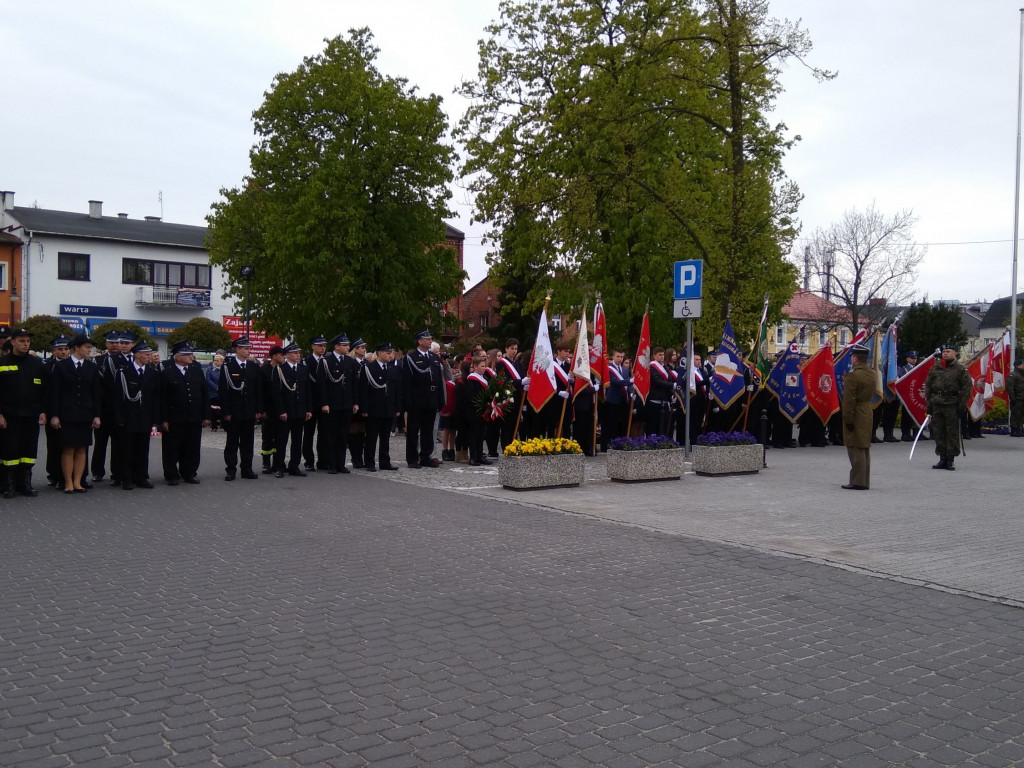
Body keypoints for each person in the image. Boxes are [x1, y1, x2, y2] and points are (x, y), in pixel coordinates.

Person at [47, 334, 102, 494]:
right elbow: (55, 392)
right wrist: (55, 415)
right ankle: (68, 482)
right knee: (68, 448)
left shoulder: (92, 367)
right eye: (86, 347)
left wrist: (97, 415)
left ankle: (78, 482)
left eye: (90, 347)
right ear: (76, 348)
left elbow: (96, 393)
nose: (89, 350)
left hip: (85, 413)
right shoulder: (61, 366)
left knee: (82, 449)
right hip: (67, 413)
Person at [0, 327, 47, 497]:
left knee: (28, 450)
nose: (25, 344)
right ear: (13, 342)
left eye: (27, 341)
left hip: (31, 414)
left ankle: (25, 483)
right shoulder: (2, 363)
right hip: (9, 415)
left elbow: (43, 390)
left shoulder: (36, 364)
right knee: (9, 450)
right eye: (21, 341)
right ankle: (9, 485)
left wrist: (43, 411)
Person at [160, 340, 209, 485]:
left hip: (194, 416)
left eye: (191, 354)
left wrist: (206, 415)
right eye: (187, 354)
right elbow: (162, 398)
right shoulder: (167, 373)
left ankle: (189, 472)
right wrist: (164, 419)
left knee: (192, 447)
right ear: (178, 357)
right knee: (172, 448)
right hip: (175, 418)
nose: (191, 357)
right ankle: (171, 474)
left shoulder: (196, 370)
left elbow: (204, 394)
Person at [114, 339, 160, 490]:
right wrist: (120, 418)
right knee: (127, 449)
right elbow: (118, 397)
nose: (149, 356)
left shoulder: (152, 372)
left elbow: (154, 397)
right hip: (129, 417)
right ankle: (126, 477)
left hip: (145, 417)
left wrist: (154, 419)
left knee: (142, 448)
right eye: (146, 354)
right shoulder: (124, 372)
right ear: (138, 355)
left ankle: (141, 476)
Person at [218, 337, 264, 480]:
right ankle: (231, 469)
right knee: (232, 442)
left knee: (247, 442)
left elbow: (258, 390)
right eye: (245, 348)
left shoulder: (254, 367)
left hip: (249, 411)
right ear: (237, 349)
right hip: (234, 411)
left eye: (249, 348)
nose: (248, 351)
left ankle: (247, 469)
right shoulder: (227, 367)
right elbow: (223, 391)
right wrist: (225, 411)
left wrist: (258, 409)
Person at [924, 343, 972, 470]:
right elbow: (928, 386)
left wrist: (962, 405)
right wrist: (929, 404)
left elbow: (967, 388)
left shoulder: (960, 369)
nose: (945, 353)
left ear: (954, 353)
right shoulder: (935, 368)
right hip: (937, 403)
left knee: (952, 432)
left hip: (952, 403)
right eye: (944, 351)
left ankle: (951, 459)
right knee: (938, 431)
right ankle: (942, 458)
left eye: (948, 351)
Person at [318, 333, 360, 474]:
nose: (348, 347)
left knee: (343, 435)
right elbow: (322, 385)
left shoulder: (350, 362)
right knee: (331, 435)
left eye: (348, 345)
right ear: (336, 346)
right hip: (332, 404)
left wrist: (355, 402)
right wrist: (324, 403)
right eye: (344, 345)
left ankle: (341, 463)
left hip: (346, 404)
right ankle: (331, 463)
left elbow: (354, 384)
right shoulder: (326, 361)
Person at [402, 330, 444, 468]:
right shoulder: (411, 358)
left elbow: (439, 379)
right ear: (420, 341)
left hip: (431, 399)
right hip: (417, 399)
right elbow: (407, 382)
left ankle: (426, 456)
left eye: (431, 338)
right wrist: (408, 402)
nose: (430, 340)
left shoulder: (433, 357)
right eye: (427, 339)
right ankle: (413, 458)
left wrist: (440, 399)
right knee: (413, 431)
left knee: (428, 430)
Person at [272, 342, 312, 477]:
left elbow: (307, 391)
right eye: (295, 353)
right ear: (287, 355)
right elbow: (276, 393)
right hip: (286, 411)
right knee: (282, 440)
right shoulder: (279, 369)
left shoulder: (303, 369)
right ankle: (279, 467)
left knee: (297, 440)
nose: (298, 355)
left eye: (299, 353)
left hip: (300, 410)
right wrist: (281, 410)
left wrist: (308, 409)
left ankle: (294, 466)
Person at [360, 342, 402, 471]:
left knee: (385, 438)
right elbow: (363, 390)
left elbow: (396, 390)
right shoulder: (368, 368)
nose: (390, 355)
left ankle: (385, 462)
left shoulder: (392, 369)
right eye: (387, 353)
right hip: (374, 408)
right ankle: (369, 462)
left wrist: (397, 407)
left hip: (388, 408)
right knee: (371, 438)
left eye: (391, 353)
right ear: (379, 353)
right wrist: (364, 409)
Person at [841, 343, 875, 490]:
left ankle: (857, 481)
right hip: (867, 409)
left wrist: (847, 419)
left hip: (856, 412)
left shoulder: (853, 375)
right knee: (864, 447)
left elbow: (849, 401)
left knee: (855, 447)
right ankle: (864, 480)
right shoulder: (871, 373)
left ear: (855, 358)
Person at [42, 335, 72, 487]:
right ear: (53, 351)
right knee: (53, 444)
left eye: (66, 349)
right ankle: (53, 473)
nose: (63, 352)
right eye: (60, 349)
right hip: (50, 410)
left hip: (67, 411)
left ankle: (65, 475)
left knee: (66, 444)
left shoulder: (72, 365)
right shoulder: (46, 366)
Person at [302, 335, 327, 471]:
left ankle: (322, 461)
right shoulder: (306, 362)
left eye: (324, 345)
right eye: (319, 345)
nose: (322, 348)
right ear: (313, 346)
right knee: (308, 434)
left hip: (324, 402)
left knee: (324, 433)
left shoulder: (327, 361)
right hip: (311, 402)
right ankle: (309, 461)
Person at [259, 346, 286, 473]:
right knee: (268, 437)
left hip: (280, 408)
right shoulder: (264, 370)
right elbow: (260, 392)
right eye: (281, 355)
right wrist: (261, 410)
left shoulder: (283, 369)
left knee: (279, 437)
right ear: (274, 356)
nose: (283, 357)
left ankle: (277, 462)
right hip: (268, 409)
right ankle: (266, 462)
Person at [600, 349, 630, 450]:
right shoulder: (609, 369)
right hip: (611, 400)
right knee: (610, 424)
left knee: (622, 423)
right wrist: (630, 381)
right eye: (618, 356)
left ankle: (620, 445)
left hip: (623, 400)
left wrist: (630, 392)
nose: (620, 359)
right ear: (613, 356)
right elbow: (615, 382)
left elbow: (626, 385)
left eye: (621, 357)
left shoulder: (625, 370)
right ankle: (607, 446)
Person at [465, 355, 491, 466]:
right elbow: (472, 396)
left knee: (481, 434)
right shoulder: (472, 379)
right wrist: (481, 405)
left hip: (483, 411)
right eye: (482, 366)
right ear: (475, 366)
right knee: (474, 434)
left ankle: (480, 455)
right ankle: (473, 456)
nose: (484, 368)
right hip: (474, 411)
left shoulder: (484, 378)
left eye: (485, 366)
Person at [348, 338, 368, 468]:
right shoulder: (351, 363)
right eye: (361, 347)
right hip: (355, 401)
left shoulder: (366, 364)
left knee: (362, 432)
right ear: (355, 349)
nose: (364, 349)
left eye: (364, 347)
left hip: (365, 401)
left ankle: (360, 456)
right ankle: (355, 457)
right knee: (353, 431)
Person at [897, 351, 920, 441]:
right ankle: (905, 433)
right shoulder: (903, 369)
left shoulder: (918, 368)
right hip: (907, 396)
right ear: (907, 359)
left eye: (915, 358)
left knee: (913, 415)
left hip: (915, 396)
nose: (914, 360)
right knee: (906, 415)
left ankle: (913, 433)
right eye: (912, 358)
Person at [205, 352, 225, 431]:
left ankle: (223, 425)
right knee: (213, 410)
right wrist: (216, 387)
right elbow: (208, 380)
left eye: (217, 360)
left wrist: (222, 388)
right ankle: (214, 426)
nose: (215, 362)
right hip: (213, 392)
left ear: (222, 361)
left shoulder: (224, 369)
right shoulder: (210, 369)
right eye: (215, 360)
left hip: (222, 392)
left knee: (223, 409)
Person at [1009, 358, 1024, 437]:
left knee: (1021, 415)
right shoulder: (1013, 375)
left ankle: (1019, 429)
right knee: (1015, 415)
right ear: (1018, 366)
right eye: (1022, 365)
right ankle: (1014, 430)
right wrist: (1012, 398)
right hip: (1016, 399)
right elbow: (1010, 387)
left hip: (1022, 398)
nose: (1023, 366)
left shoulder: (1021, 375)